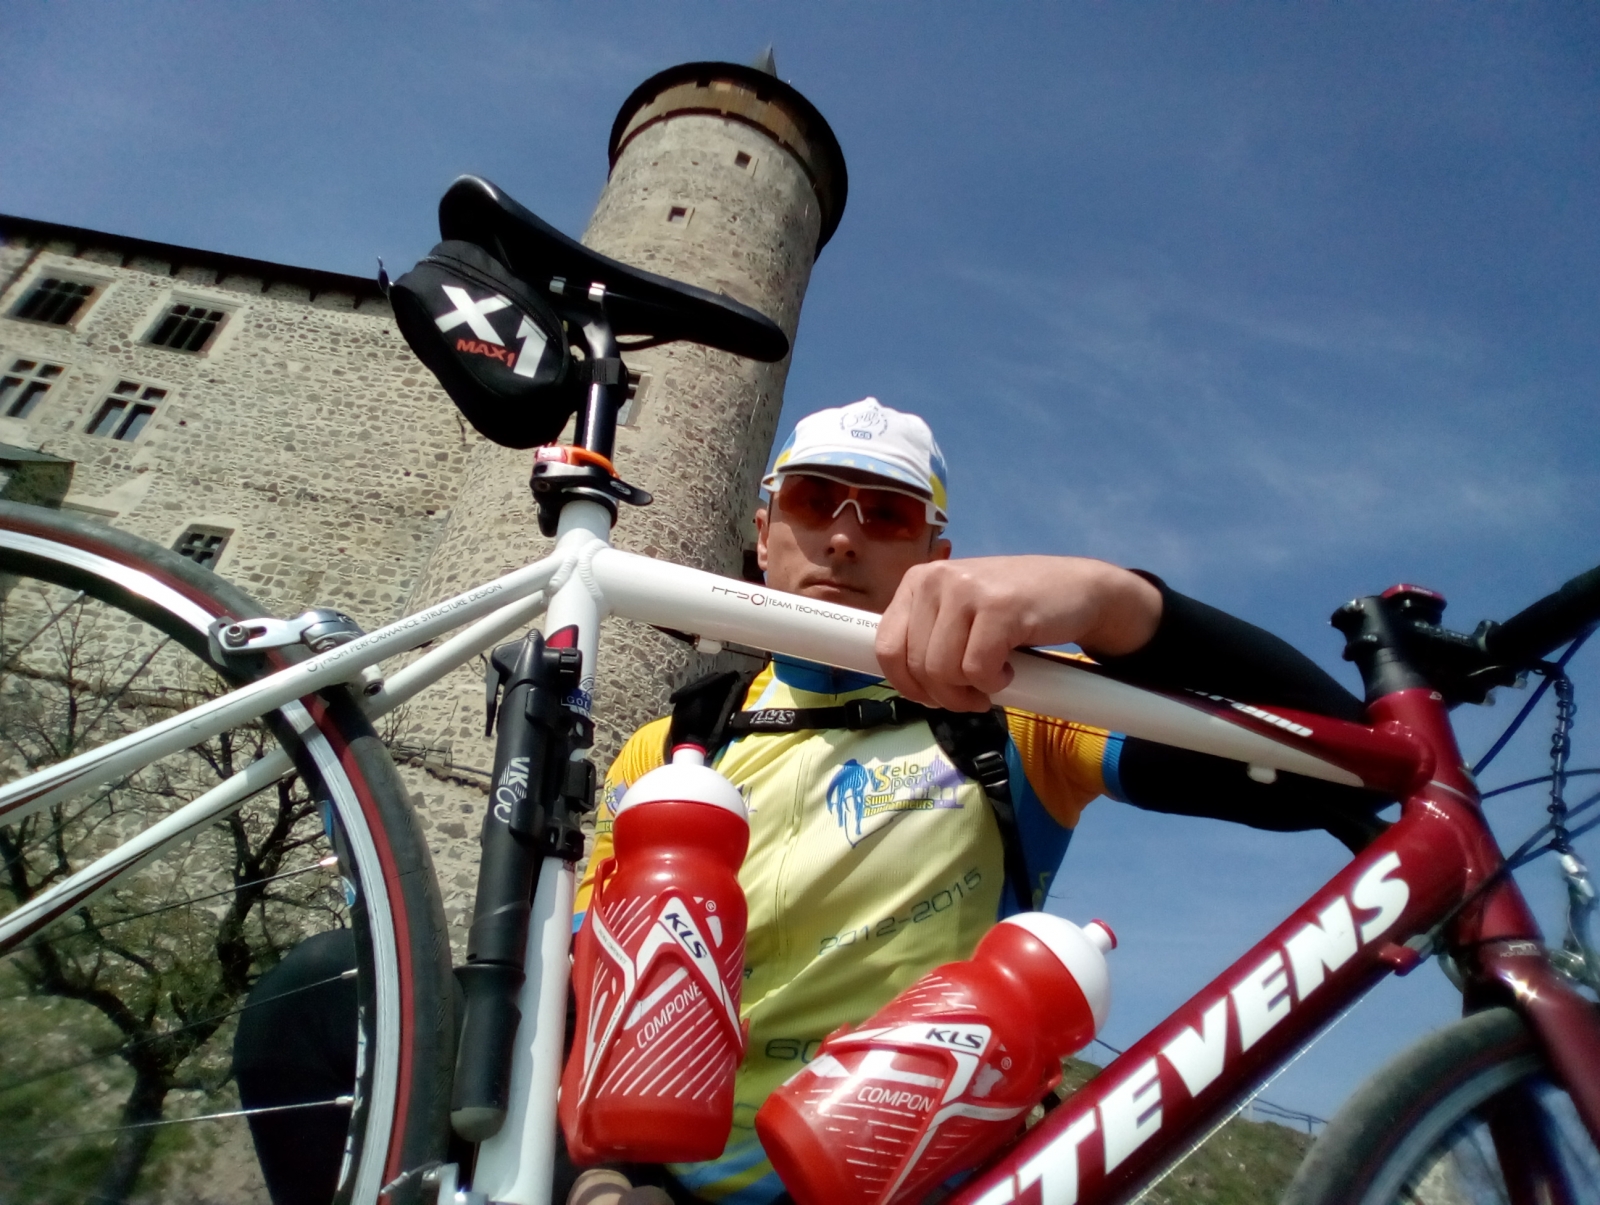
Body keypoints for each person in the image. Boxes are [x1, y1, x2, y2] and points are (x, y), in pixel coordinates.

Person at [565, 398, 1384, 1205]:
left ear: (937, 554)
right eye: (813, 500)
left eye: (888, 514)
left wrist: (1108, 597)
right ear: (763, 528)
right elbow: (584, 992)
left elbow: (1345, 764)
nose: (843, 537)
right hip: (664, 1175)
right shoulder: (671, 747)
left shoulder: (1019, 711)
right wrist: (598, 1178)